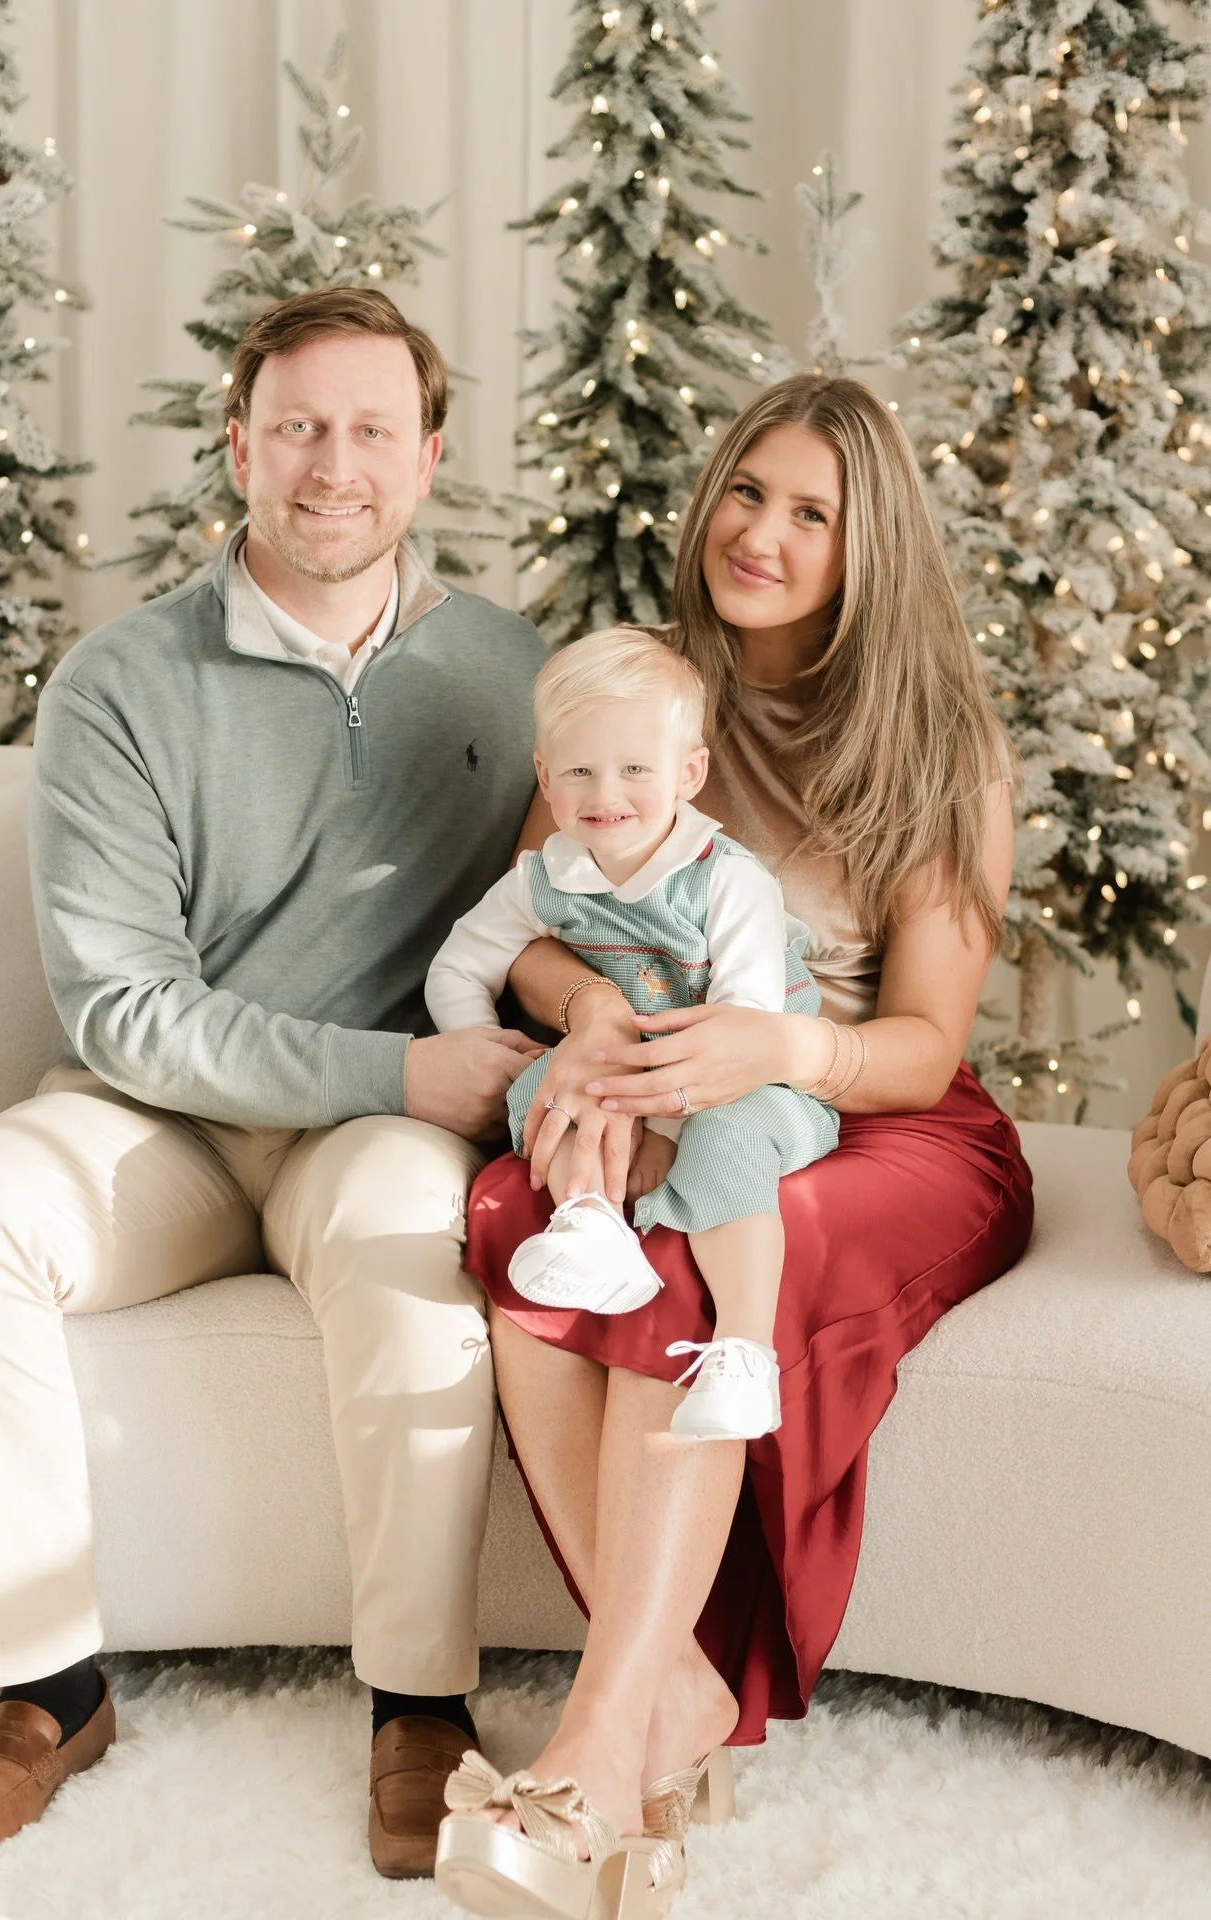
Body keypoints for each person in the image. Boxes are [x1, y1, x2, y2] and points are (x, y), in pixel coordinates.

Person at [0, 286, 547, 1877]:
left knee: (414, 1241)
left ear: (430, 457)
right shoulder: (121, 681)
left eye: (373, 430)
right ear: (239, 446)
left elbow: (588, 895)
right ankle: (45, 1695)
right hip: (161, 1125)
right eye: (299, 427)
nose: (335, 465)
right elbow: (124, 1006)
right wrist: (407, 1067)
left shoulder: (514, 674)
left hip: (373, 1137)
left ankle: (420, 1706)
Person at [432, 373, 1035, 1920]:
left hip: (871, 1111)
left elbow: (924, 1044)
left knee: (692, 1254)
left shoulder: (940, 749)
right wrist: (586, 1015)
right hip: (661, 1083)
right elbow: (534, 930)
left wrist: (778, 1049)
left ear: (865, 544)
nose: (760, 533)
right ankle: (680, 1699)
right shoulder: (639, 695)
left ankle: (591, 1749)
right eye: (747, 492)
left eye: (810, 513)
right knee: (514, 1211)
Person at [425, 626, 840, 1441]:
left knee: (725, 1135)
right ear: (545, 777)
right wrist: (486, 1047)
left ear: (690, 774)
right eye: (579, 770)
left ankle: (745, 1354)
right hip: (636, 1079)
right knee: (549, 1086)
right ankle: (591, 1222)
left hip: (759, 1089)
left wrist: (660, 1131)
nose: (604, 793)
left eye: (635, 770)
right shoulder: (546, 876)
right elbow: (456, 967)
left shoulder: (727, 881)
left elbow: (743, 1038)